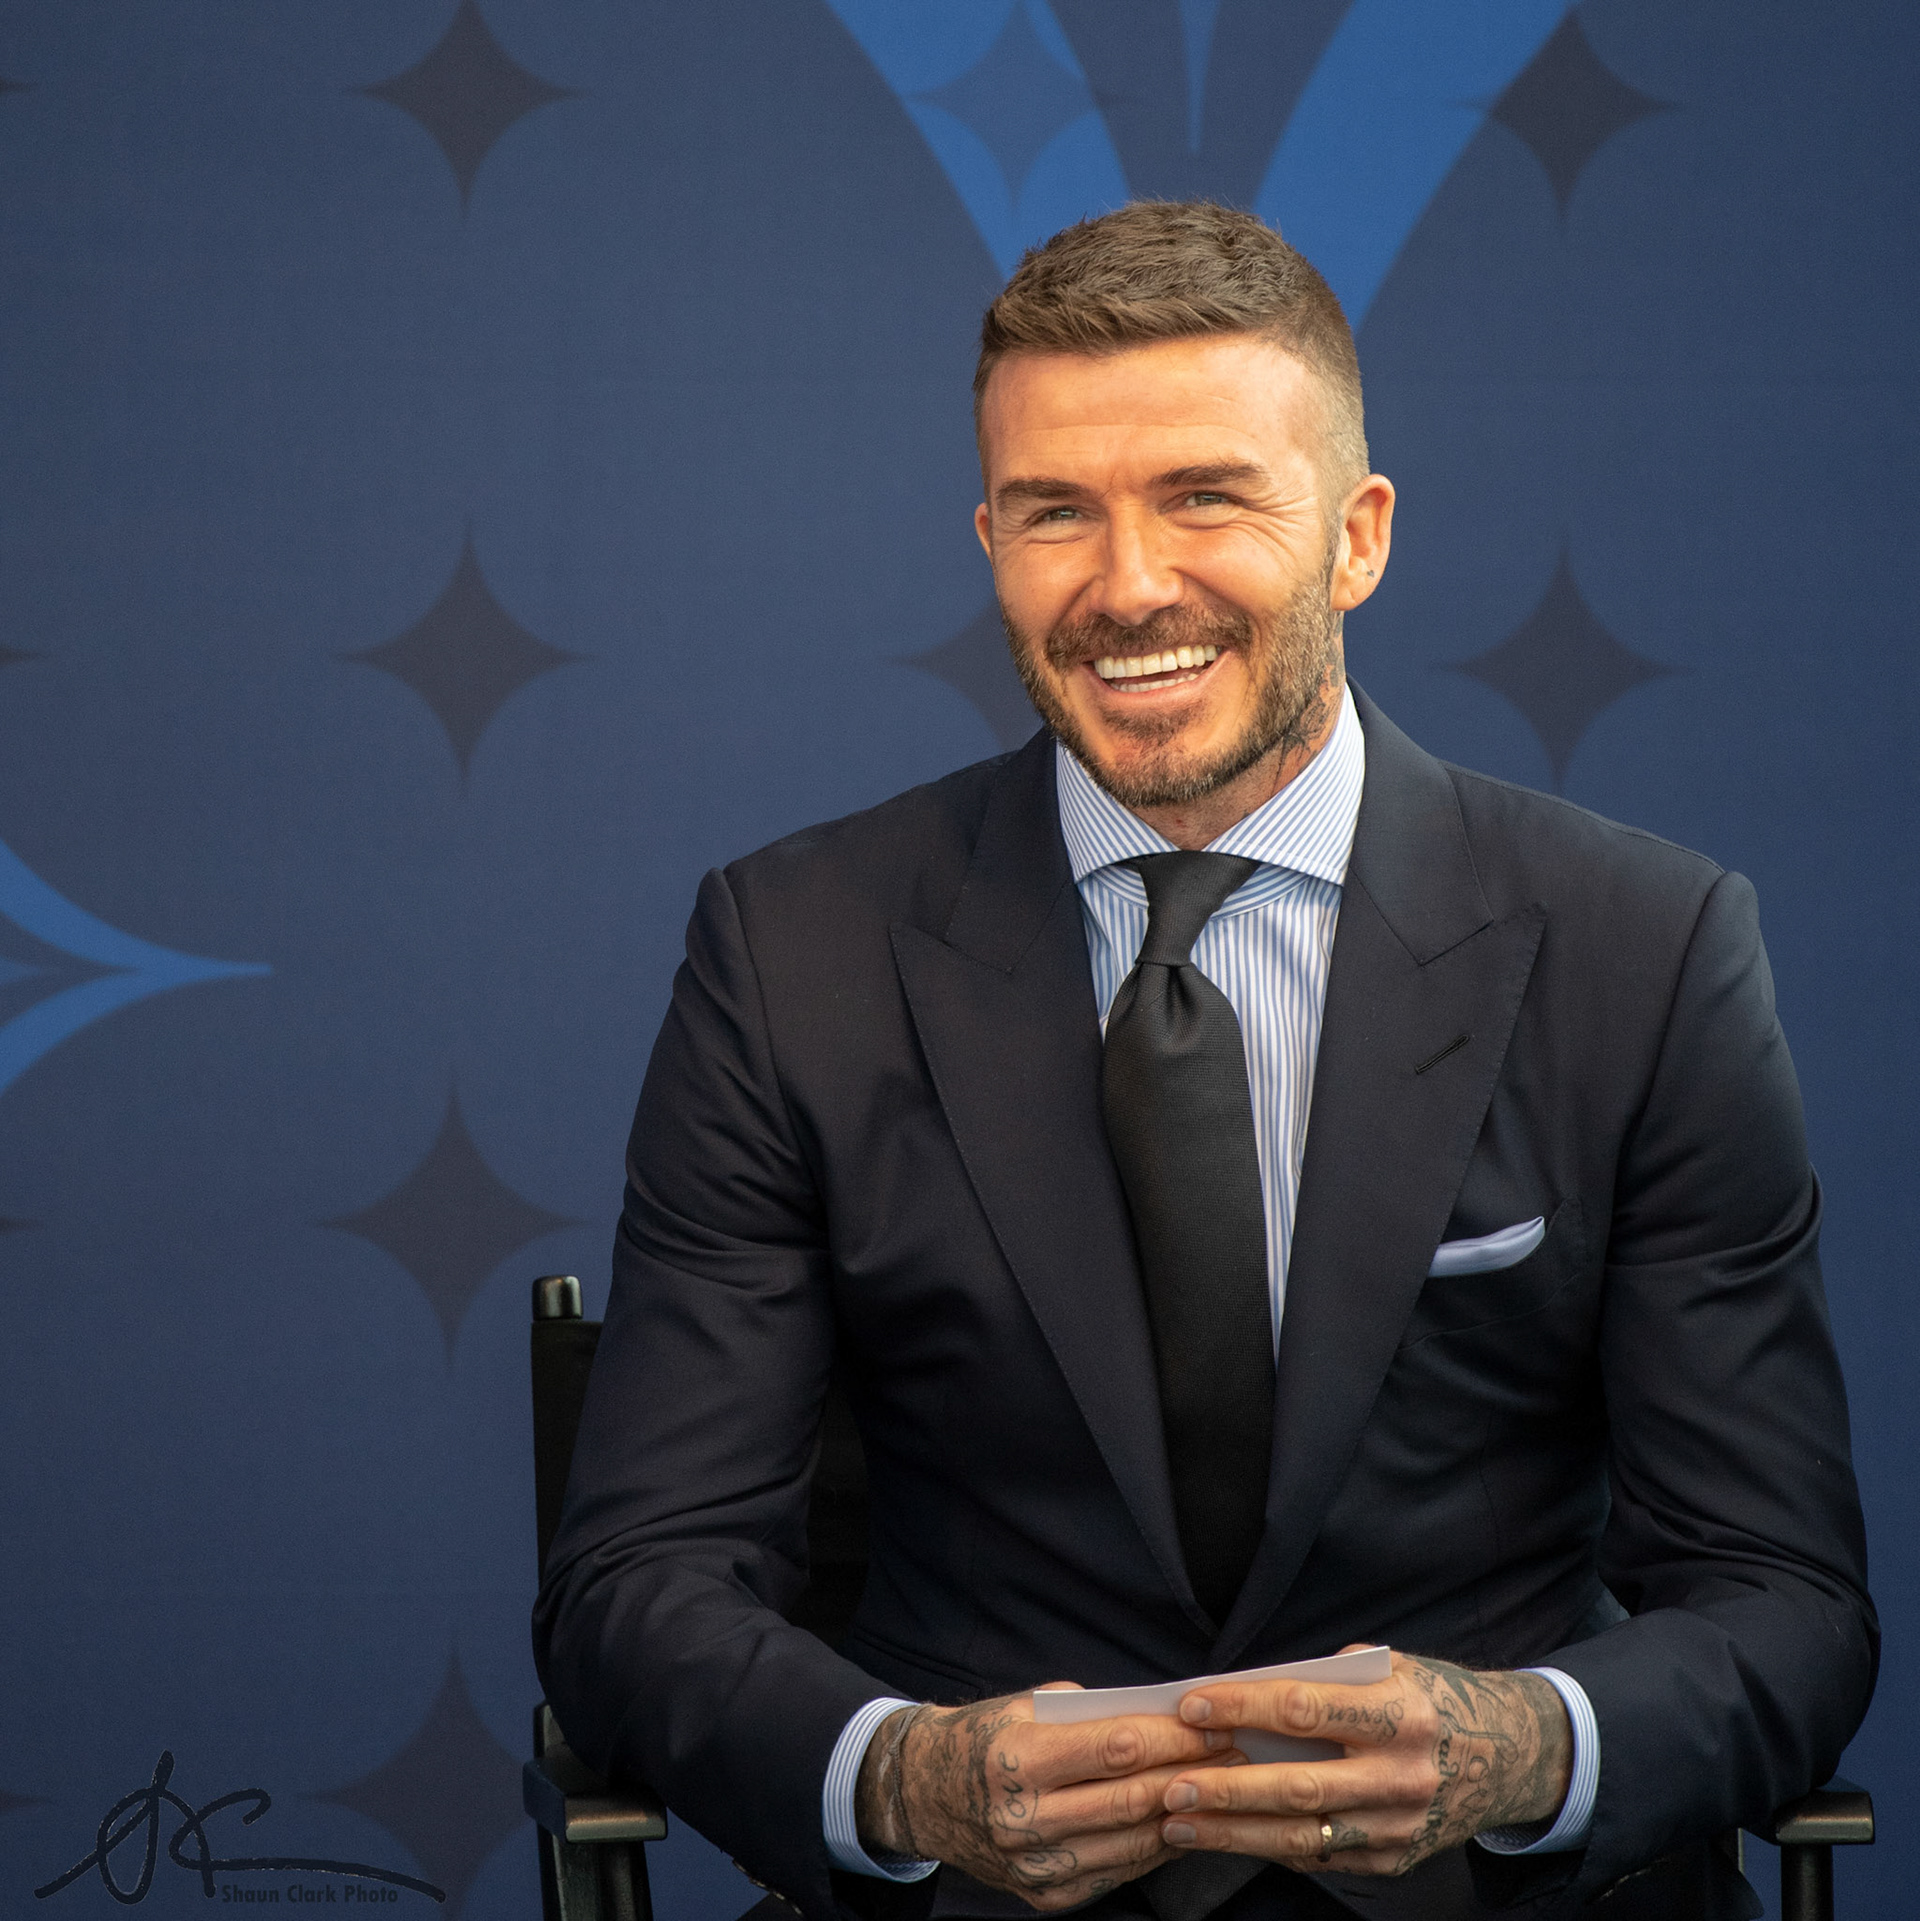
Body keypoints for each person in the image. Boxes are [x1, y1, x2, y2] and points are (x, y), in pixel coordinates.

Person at [533, 203, 1874, 1921]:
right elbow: (636, 1581)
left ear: (1357, 535)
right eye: (1053, 515)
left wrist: (1521, 1748)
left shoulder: (1650, 948)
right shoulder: (788, 953)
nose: (1128, 585)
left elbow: (1786, 1600)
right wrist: (905, 1775)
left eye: (1205, 496)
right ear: (989, 539)